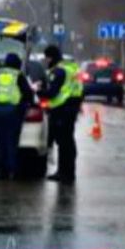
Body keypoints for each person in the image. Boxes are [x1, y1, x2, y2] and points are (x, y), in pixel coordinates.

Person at [0, 53, 34, 179]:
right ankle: (12, 171)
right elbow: (27, 93)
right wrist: (28, 104)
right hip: (12, 111)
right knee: (11, 142)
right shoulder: (18, 75)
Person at [41, 44, 81, 183]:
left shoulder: (58, 71)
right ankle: (67, 172)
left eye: (46, 58)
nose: (45, 61)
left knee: (64, 144)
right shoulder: (70, 68)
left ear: (51, 57)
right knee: (68, 142)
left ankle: (64, 173)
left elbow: (52, 93)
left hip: (61, 110)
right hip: (71, 108)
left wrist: (37, 91)